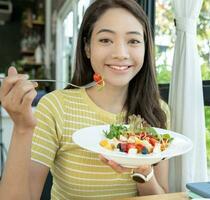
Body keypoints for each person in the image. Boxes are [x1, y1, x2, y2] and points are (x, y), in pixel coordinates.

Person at [0, 0, 170, 199]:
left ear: (145, 49)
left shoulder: (157, 110)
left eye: (133, 41)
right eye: (106, 40)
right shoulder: (56, 107)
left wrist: (142, 171)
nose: (120, 54)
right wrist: (22, 128)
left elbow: (163, 195)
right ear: (87, 48)